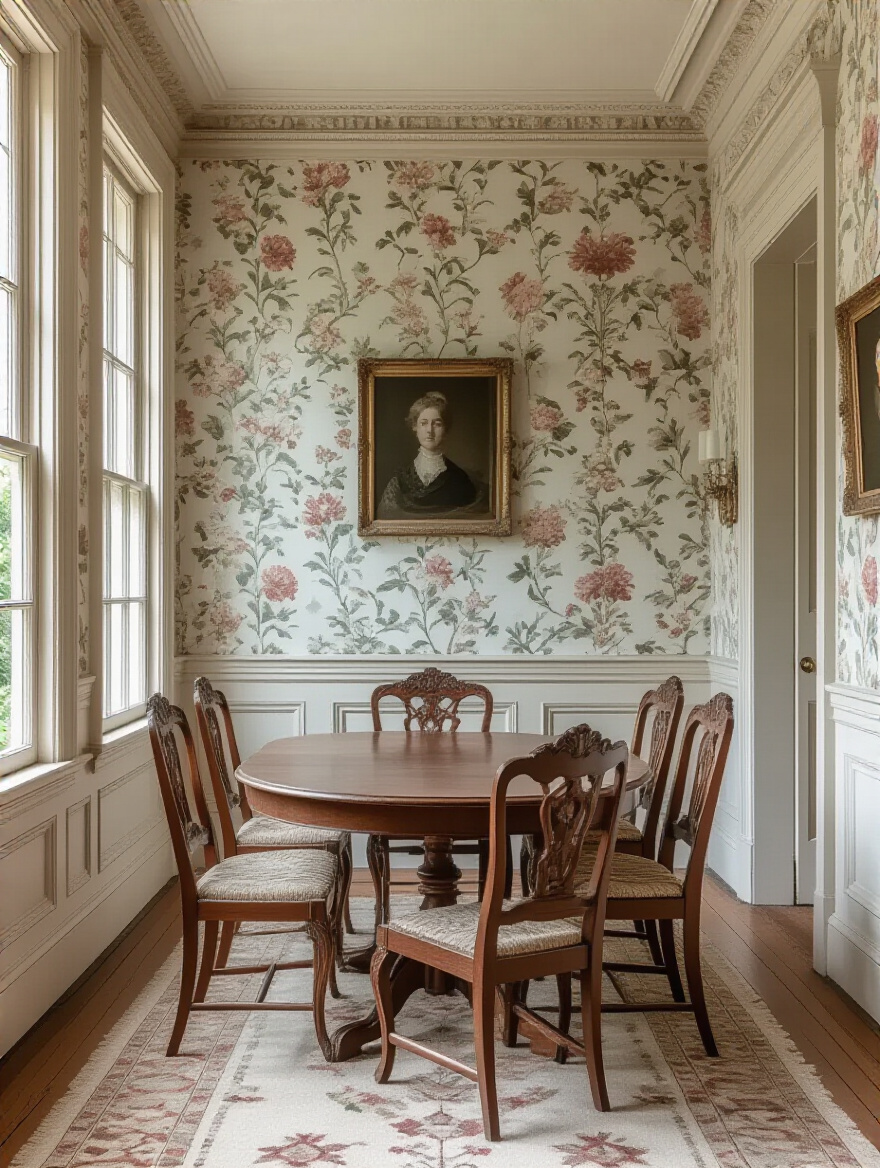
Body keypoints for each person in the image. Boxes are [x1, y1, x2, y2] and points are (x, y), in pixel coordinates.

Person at [377, 391, 485, 518]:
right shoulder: (400, 479)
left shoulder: (460, 480)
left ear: (445, 429)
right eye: (423, 423)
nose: (429, 430)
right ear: (414, 427)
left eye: (437, 424)